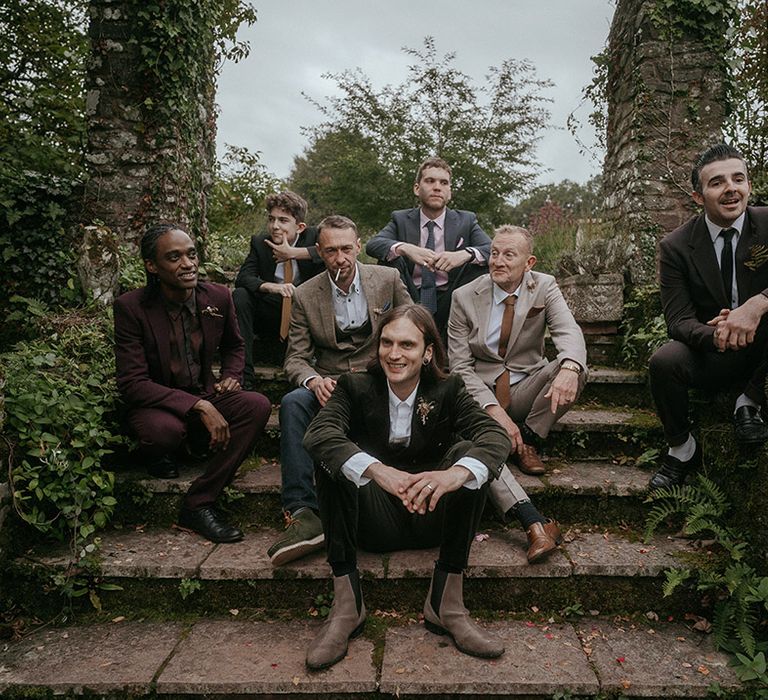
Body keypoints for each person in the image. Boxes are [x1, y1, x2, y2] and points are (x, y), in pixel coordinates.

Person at [303, 305, 509, 670]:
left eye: (407, 345)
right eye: (387, 343)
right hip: (374, 517)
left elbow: (494, 434)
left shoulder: (449, 389)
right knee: (330, 457)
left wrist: (453, 475)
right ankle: (346, 606)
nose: (394, 354)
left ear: (428, 352)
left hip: (432, 514)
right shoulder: (354, 386)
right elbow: (319, 434)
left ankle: (446, 604)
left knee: (468, 456)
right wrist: (379, 471)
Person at [267, 215, 412, 566]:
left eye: (347, 249)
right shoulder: (304, 294)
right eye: (331, 251)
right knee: (293, 402)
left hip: (381, 378)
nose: (341, 258)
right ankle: (303, 512)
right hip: (331, 383)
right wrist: (313, 380)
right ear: (319, 252)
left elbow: (415, 326)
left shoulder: (388, 279)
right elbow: (296, 358)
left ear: (359, 246)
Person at [114, 224, 271, 543]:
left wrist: (231, 375)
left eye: (191, 254)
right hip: (158, 404)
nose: (187, 264)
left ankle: (199, 503)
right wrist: (200, 406)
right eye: (174, 257)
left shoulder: (218, 296)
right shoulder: (131, 308)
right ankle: (167, 450)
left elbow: (234, 345)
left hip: (205, 392)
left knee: (257, 405)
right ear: (151, 266)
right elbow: (132, 383)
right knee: (163, 433)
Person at [448, 225, 587, 555]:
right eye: (494, 253)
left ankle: (529, 437)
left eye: (509, 255)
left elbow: (569, 331)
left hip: (526, 388)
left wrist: (570, 368)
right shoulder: (464, 296)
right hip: (481, 394)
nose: (498, 261)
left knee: (573, 368)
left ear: (529, 262)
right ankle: (534, 522)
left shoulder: (545, 286)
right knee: (471, 444)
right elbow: (459, 367)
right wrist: (493, 412)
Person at [648, 143, 768, 490]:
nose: (731, 188)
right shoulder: (676, 246)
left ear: (748, 186)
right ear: (698, 197)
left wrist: (756, 305)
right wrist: (716, 334)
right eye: (717, 182)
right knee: (664, 361)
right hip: (716, 350)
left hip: (765, 344)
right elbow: (678, 319)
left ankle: (749, 401)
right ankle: (682, 447)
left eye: (739, 179)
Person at [365, 157, 491, 337]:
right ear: (417, 188)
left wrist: (464, 254)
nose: (437, 187)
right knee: (390, 259)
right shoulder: (401, 219)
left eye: (444, 183)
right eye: (430, 181)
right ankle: (392, 332)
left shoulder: (466, 220)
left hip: (451, 297)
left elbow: (492, 249)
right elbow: (373, 245)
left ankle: (469, 336)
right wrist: (406, 248)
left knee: (479, 264)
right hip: (409, 295)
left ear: (450, 192)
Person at [233, 191, 324, 387]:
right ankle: (244, 376)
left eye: (283, 220)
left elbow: (332, 251)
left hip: (306, 311)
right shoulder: (260, 243)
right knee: (240, 296)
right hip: (273, 309)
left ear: (300, 227)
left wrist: (293, 253)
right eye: (271, 219)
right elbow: (243, 278)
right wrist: (272, 287)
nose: (275, 226)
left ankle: (312, 367)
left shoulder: (314, 236)